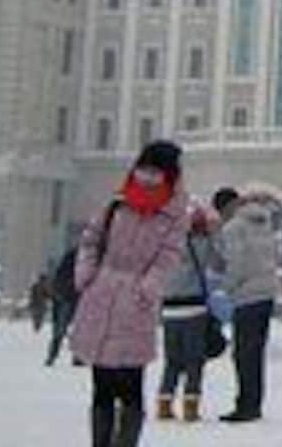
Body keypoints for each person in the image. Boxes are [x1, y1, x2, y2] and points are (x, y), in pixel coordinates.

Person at [71, 140, 191, 447]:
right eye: (144, 169)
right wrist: (87, 274)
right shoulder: (116, 203)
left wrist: (146, 288)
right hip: (101, 296)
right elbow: (91, 239)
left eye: (155, 172)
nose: (147, 177)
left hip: (135, 305)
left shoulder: (174, 215)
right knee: (102, 388)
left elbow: (169, 257)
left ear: (169, 175)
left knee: (130, 387)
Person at [220, 190, 281, 423]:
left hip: (247, 295)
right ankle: (253, 402)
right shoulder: (263, 222)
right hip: (267, 292)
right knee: (255, 353)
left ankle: (245, 405)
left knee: (243, 353)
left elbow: (237, 261)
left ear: (225, 207)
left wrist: (227, 287)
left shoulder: (234, 228)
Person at [158, 206, 223, 422]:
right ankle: (190, 405)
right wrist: (213, 234)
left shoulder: (165, 245)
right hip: (193, 308)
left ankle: (164, 403)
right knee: (195, 360)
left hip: (168, 310)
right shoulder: (201, 244)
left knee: (172, 360)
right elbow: (218, 263)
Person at [47, 245, 82, 367]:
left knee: (62, 330)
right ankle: (76, 356)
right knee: (73, 329)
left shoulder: (69, 260)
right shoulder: (75, 258)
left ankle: (54, 355)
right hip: (72, 297)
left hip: (71, 298)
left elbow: (58, 280)